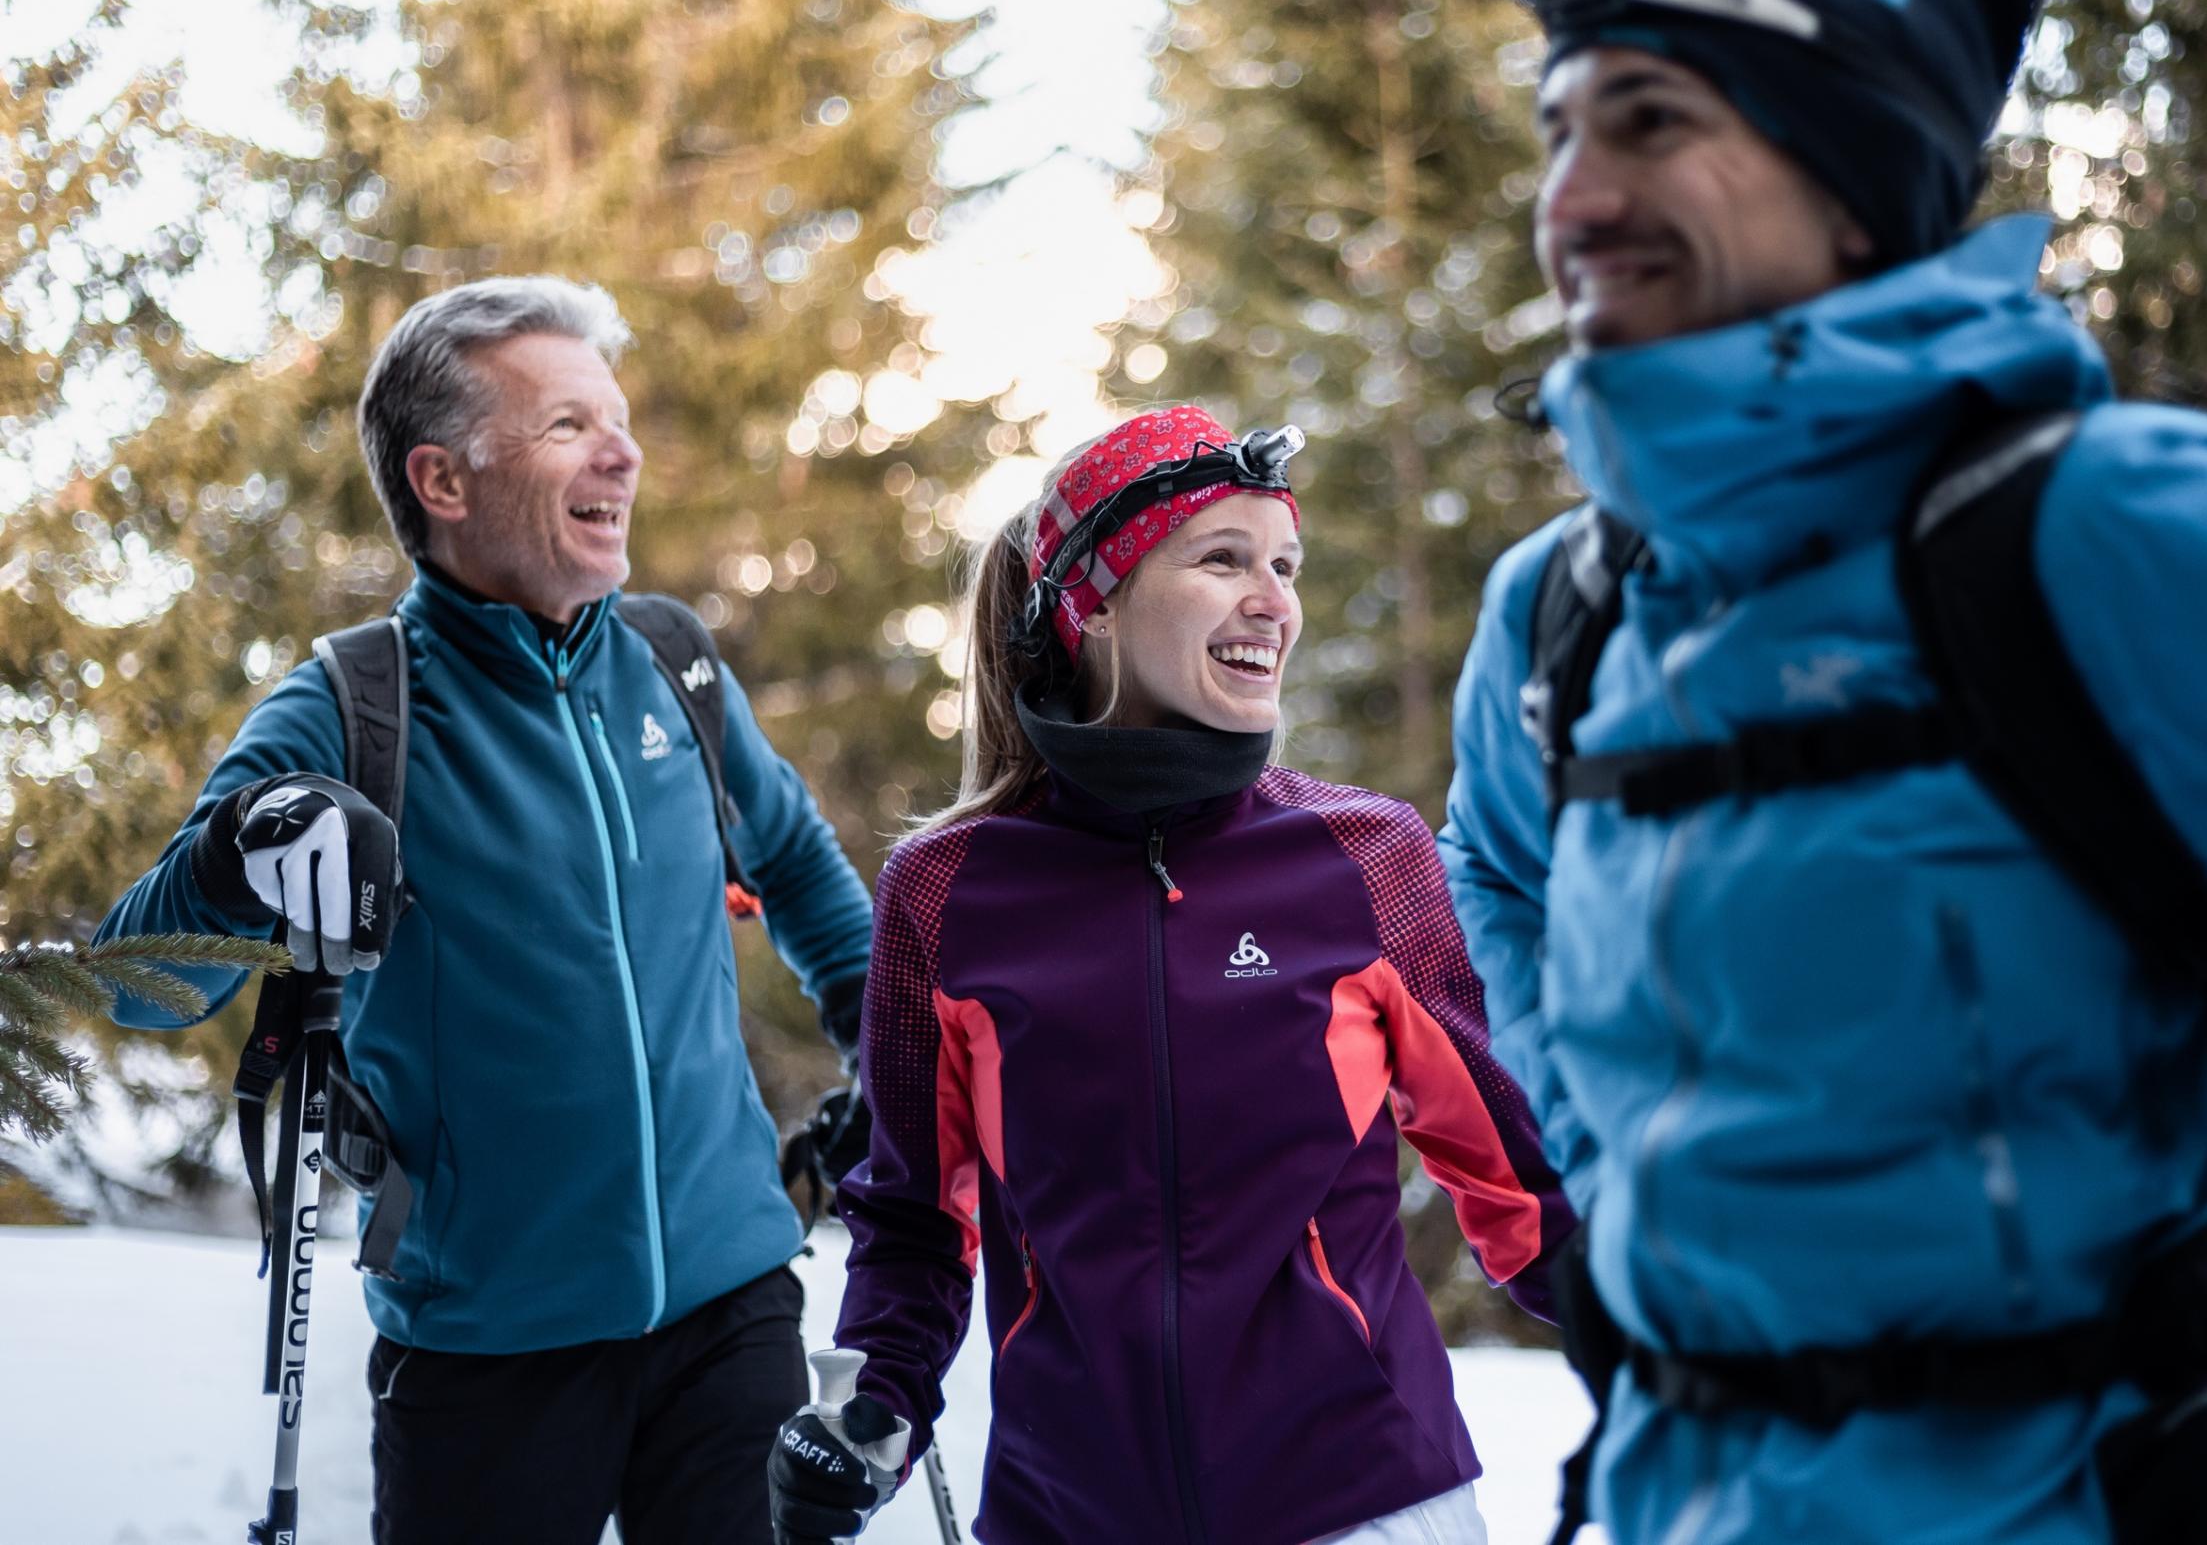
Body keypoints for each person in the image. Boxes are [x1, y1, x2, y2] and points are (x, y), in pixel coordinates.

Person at [1442, 0, 2207, 1545]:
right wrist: (1622, 1197)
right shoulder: (1570, 611)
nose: (1573, 198)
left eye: (1650, 120)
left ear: (1849, 170)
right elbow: (1501, 870)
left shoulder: (2116, 540)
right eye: (1559, 130)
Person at [99, 276, 875, 1545]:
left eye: (617, 422)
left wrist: (878, 1049)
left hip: (735, 1308)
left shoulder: (671, 664)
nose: (622, 452)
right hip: (489, 1350)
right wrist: (243, 853)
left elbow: (795, 864)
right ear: (443, 481)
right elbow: (139, 981)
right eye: (569, 425)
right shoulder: (353, 705)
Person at [766, 405, 1576, 1545]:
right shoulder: (944, 892)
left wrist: (1664, 1340)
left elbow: (1515, 1181)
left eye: (1285, 565)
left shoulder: (1363, 856)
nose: (1273, 601)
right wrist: (872, 1416)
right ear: (1091, 604)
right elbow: (913, 1221)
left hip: (1364, 1500)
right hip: (1069, 1511)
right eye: (1223, 558)